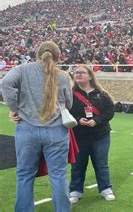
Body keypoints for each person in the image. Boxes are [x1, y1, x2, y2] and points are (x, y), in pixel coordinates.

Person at [1, 41, 72, 212]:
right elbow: (68, 104)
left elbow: (4, 84)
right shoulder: (62, 76)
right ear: (58, 57)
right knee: (58, 176)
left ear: (37, 54)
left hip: (27, 130)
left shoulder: (22, 69)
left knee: (25, 176)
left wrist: (14, 109)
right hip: (56, 131)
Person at [68, 64, 116, 203]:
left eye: (82, 72)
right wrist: (78, 120)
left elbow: (110, 111)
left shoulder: (101, 93)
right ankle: (75, 191)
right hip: (79, 136)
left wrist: (97, 120)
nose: (78, 74)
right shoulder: (70, 94)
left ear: (90, 76)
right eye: (76, 72)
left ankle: (106, 189)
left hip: (100, 136)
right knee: (77, 165)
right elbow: (66, 112)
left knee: (101, 164)